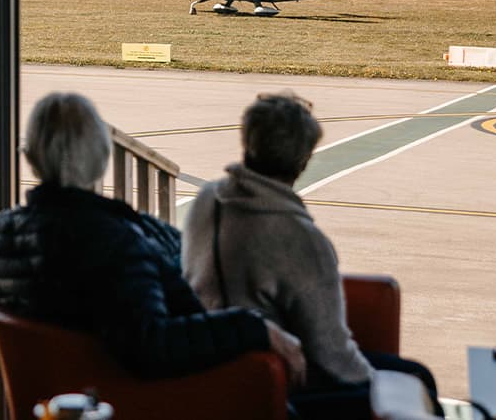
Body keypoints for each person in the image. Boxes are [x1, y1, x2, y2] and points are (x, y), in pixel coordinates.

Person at [0, 91, 307, 382]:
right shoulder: (115, 244)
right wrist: (254, 329)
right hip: (169, 396)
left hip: (65, 399)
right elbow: (153, 345)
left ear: (30, 159)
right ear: (102, 158)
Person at [184, 92, 440, 419]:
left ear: (247, 142)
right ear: (303, 160)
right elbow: (332, 355)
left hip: (209, 366)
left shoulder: (206, 200)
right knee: (416, 378)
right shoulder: (301, 240)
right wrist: (385, 387)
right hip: (278, 383)